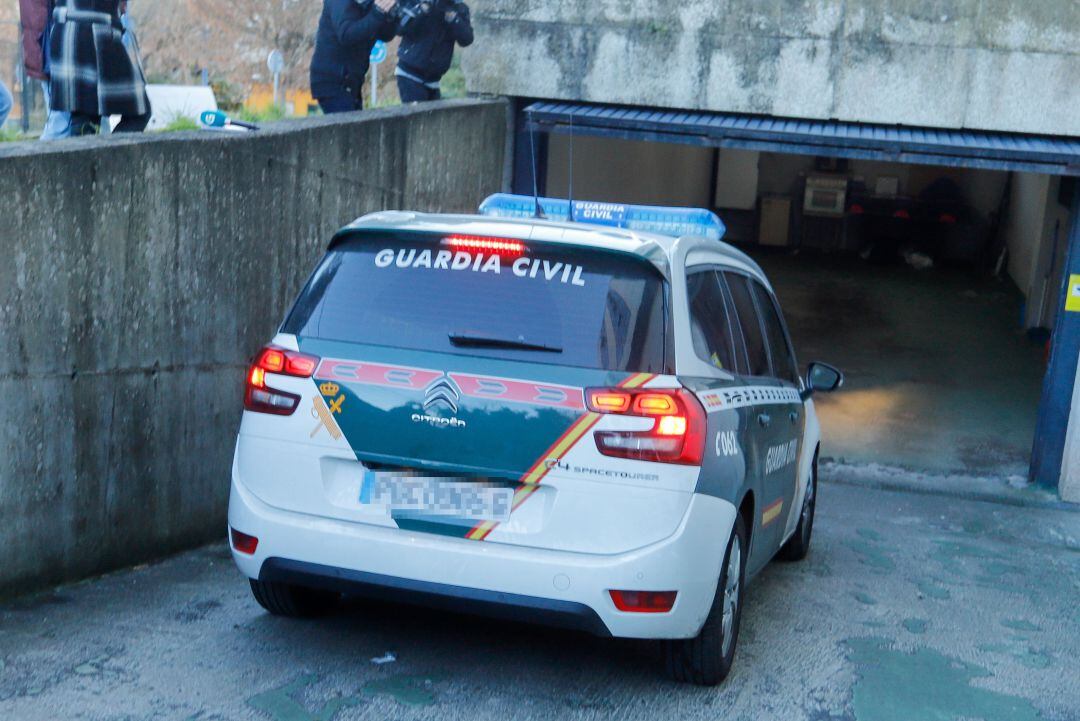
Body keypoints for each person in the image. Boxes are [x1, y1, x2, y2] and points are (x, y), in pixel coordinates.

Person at [47, 0, 151, 135]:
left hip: (66, 31)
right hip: (95, 30)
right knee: (140, 111)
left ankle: (91, 153)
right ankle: (106, 155)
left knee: (84, 115)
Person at [311, 0, 399, 115]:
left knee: (355, 127)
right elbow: (346, 34)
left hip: (353, 80)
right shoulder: (339, 3)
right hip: (333, 79)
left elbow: (384, 34)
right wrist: (377, 12)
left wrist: (390, 15)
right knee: (347, 128)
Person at [395, 0, 473, 103]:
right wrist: (422, 8)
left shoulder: (458, 7)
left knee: (432, 117)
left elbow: (466, 39)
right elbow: (400, 28)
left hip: (434, 79)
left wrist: (453, 18)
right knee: (419, 116)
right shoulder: (416, 2)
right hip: (410, 73)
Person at [19, 0, 74, 139]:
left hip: (51, 46)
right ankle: (35, 159)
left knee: (63, 121)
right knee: (61, 123)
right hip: (50, 49)